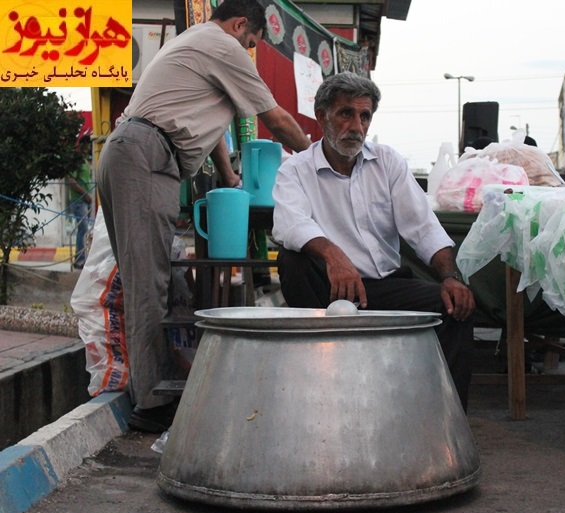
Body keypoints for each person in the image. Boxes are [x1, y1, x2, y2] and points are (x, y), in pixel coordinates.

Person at [95, 0, 311, 433]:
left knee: (167, 279)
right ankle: (153, 404)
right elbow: (278, 119)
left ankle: (175, 382)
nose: (249, 49)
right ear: (238, 25)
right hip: (147, 157)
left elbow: (212, 122)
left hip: (131, 152)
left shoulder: (196, 43)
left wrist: (229, 176)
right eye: (251, 41)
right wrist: (317, 159)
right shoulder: (223, 45)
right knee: (149, 284)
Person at [272, 72, 476, 410]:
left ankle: (444, 423)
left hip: (384, 287)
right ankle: (319, 391)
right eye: (345, 113)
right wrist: (333, 255)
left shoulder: (388, 162)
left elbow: (423, 228)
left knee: (456, 307)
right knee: (293, 261)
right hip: (331, 291)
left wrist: (451, 277)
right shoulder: (295, 170)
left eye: (364, 116)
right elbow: (289, 223)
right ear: (322, 116)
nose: (356, 125)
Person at [65, 136, 93, 269]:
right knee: (83, 229)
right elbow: (70, 180)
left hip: (86, 201)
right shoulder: (76, 161)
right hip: (79, 201)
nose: (88, 149)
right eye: (87, 146)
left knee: (85, 230)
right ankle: (80, 260)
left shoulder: (85, 161)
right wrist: (85, 194)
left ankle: (82, 258)